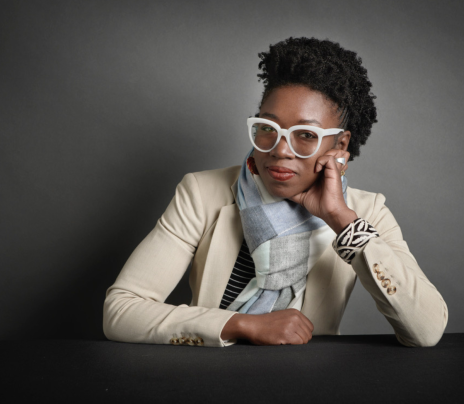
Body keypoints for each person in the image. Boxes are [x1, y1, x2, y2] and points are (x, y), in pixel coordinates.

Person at [103, 37, 447, 348]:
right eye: (267, 128)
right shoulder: (202, 193)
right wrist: (242, 325)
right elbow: (120, 311)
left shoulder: (364, 213)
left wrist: (340, 219)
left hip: (313, 383)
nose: (280, 149)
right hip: (208, 377)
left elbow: (426, 330)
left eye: (306, 135)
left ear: (340, 145)